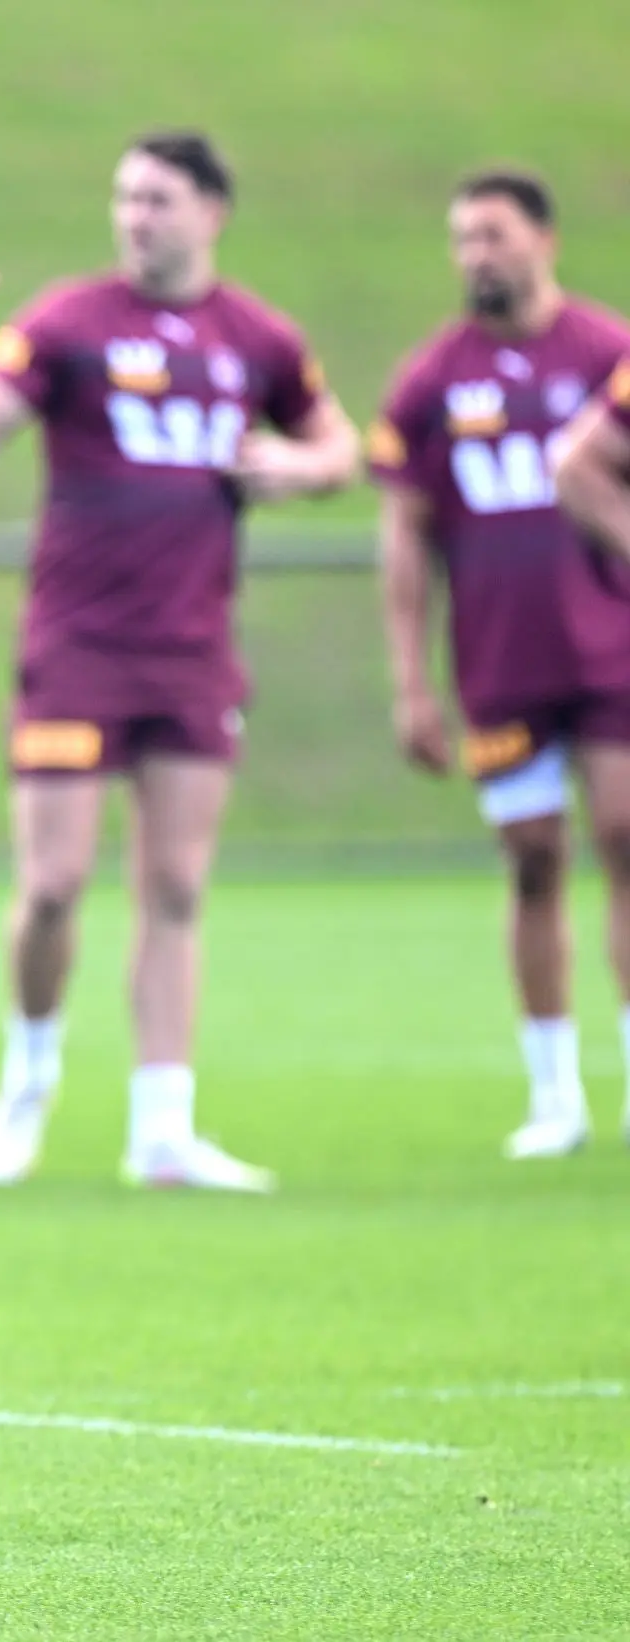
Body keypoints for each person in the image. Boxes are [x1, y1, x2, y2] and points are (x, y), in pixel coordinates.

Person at [0, 131, 359, 1192]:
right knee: (56, 884)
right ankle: (29, 1069)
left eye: (156, 199)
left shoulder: (256, 336)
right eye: (123, 197)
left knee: (174, 886)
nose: (134, 216)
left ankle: (164, 1126)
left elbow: (344, 448)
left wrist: (293, 467)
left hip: (194, 649)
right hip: (77, 647)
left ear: (211, 210)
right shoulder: (69, 322)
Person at [372, 171, 630, 1160]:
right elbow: (402, 534)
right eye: (460, 237)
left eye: (492, 234)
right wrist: (409, 680)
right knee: (531, 860)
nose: (476, 253)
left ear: (543, 239)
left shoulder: (605, 352)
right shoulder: (433, 377)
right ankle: (552, 1089)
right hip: (500, 654)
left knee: (622, 831)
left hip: (609, 642)